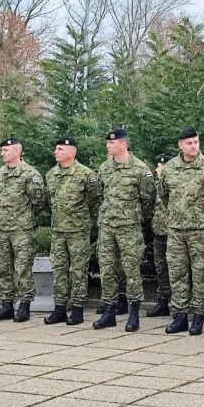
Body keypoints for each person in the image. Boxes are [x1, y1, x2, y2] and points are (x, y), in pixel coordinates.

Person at [159, 128, 204, 336]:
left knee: (200, 273)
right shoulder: (170, 168)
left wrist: (203, 214)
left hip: (200, 230)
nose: (193, 146)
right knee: (177, 272)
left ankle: (198, 316)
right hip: (176, 229)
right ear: (180, 145)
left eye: (196, 142)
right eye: (189, 143)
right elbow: (164, 195)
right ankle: (179, 316)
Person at [94, 128, 155, 330]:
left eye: (112, 143)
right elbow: (100, 195)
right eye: (107, 143)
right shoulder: (104, 168)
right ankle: (109, 311)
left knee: (131, 270)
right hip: (107, 227)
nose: (108, 146)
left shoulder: (139, 168)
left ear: (123, 144)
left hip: (129, 228)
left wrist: (133, 216)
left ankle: (134, 312)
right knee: (107, 270)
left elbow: (148, 199)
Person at [0, 139, 47, 323]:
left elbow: (39, 202)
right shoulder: (0, 173)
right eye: (2, 150)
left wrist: (22, 217)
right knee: (2, 267)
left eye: (5, 150)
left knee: (23, 268)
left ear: (16, 152)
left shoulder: (30, 174)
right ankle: (6, 304)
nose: (2, 153)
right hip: (2, 229)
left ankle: (24, 305)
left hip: (21, 230)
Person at [44, 138, 99, 326]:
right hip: (58, 231)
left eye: (60, 149)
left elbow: (94, 202)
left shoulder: (86, 175)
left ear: (71, 152)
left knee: (78, 271)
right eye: (56, 148)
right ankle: (59, 307)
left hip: (78, 231)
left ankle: (77, 309)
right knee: (59, 269)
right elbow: (49, 201)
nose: (55, 151)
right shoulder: (51, 174)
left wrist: (84, 222)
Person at [146, 153, 173, 317]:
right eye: (158, 165)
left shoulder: (176, 184)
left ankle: (181, 304)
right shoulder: (155, 186)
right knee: (161, 269)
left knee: (179, 271)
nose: (158, 169)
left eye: (161, 166)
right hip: (159, 233)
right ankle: (162, 301)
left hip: (175, 234)